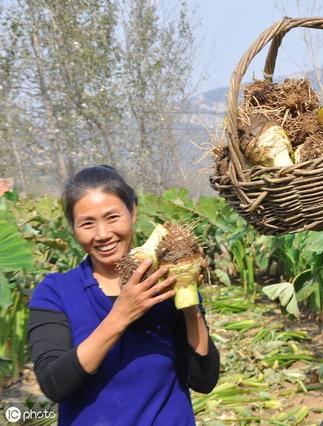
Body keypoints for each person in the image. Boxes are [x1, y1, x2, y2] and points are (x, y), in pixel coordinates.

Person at [27, 165, 220, 426]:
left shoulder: (164, 280)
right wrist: (120, 315)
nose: (103, 234)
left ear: (133, 211)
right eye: (87, 223)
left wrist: (189, 302)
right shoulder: (55, 292)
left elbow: (204, 380)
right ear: (73, 228)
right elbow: (54, 384)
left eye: (112, 217)